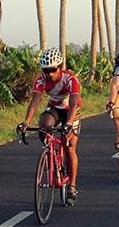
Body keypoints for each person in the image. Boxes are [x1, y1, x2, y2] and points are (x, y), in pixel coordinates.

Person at [17, 47, 82, 204]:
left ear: (59, 67)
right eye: (46, 71)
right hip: (54, 108)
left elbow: (73, 104)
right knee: (44, 125)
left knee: (69, 147)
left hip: (71, 111)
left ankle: (72, 186)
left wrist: (68, 124)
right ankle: (51, 156)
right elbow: (35, 101)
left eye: (52, 70)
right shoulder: (41, 80)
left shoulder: (70, 79)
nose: (49, 74)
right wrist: (26, 121)